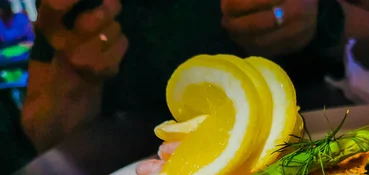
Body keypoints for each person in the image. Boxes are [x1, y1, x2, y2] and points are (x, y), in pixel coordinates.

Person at [22, 0, 345, 152]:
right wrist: (75, 74)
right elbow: (46, 134)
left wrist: (312, 19)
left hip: (305, 136)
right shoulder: (75, 8)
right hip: (127, 163)